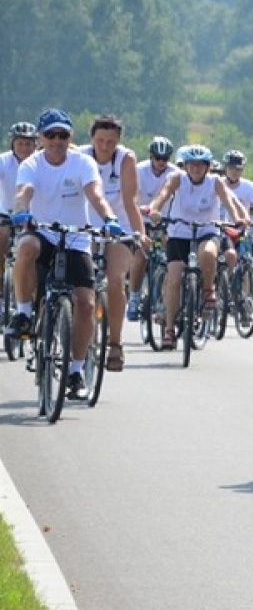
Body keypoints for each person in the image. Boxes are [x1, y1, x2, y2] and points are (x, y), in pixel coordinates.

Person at [6, 109, 129, 398]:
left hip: (76, 238)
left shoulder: (83, 163)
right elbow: (24, 191)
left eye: (62, 135)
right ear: (40, 138)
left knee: (86, 304)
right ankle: (23, 313)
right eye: (50, 135)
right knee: (25, 246)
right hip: (42, 232)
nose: (57, 141)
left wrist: (110, 219)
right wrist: (20, 210)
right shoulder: (32, 165)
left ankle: (75, 369)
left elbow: (96, 194)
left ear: (70, 137)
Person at [146, 144, 248, 350]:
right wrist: (155, 209)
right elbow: (163, 195)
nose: (196, 169)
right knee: (174, 278)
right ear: (186, 166)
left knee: (209, 253)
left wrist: (238, 218)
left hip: (207, 229)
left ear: (208, 167)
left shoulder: (215, 182)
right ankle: (169, 329)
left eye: (200, 165)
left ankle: (208, 289)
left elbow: (228, 200)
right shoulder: (177, 178)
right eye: (192, 165)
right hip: (179, 231)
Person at [80, 115, 145, 370]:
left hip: (118, 227)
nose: (104, 146)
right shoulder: (81, 157)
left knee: (115, 279)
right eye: (100, 140)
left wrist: (140, 234)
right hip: (85, 226)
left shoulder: (125, 159)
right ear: (91, 139)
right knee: (79, 284)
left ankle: (115, 343)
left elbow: (131, 201)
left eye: (110, 141)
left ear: (119, 141)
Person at [130, 136, 178, 320]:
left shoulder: (174, 173)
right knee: (140, 257)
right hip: (141, 219)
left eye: (165, 159)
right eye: (157, 158)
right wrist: (139, 209)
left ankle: (164, 297)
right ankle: (134, 297)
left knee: (171, 257)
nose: (160, 162)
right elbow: (130, 193)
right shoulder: (138, 170)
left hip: (164, 220)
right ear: (151, 157)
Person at [219, 149, 253, 284]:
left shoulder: (249, 186)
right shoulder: (218, 184)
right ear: (225, 168)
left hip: (244, 229)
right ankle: (226, 285)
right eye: (231, 168)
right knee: (226, 256)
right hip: (224, 228)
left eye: (238, 169)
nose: (234, 172)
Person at [0, 122, 38, 278]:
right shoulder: (4, 161)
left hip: (34, 214)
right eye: (20, 143)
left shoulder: (40, 161)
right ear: (12, 144)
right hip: (6, 213)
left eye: (28, 144)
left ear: (35, 145)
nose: (24, 148)